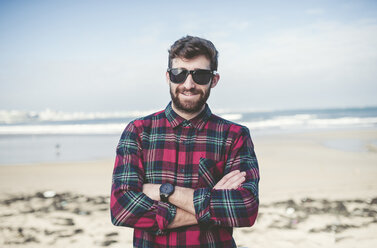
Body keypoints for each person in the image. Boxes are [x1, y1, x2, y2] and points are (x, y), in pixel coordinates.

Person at [110, 35, 259, 247]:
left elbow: (246, 208)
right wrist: (213, 201)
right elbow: (121, 209)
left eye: (200, 75)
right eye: (179, 74)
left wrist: (165, 192)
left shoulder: (235, 135)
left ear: (213, 80)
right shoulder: (139, 132)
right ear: (168, 76)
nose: (188, 84)